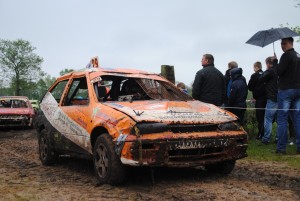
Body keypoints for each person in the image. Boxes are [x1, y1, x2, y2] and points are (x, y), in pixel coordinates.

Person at [273, 37, 300, 154]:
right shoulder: (298, 55)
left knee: (282, 119)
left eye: (284, 44)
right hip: (298, 90)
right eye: (281, 44)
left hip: (286, 90)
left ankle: (281, 148)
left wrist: (275, 62)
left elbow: (278, 71)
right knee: (298, 119)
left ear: (290, 43)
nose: (282, 46)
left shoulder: (286, 56)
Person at [259, 57, 278, 144]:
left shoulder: (270, 71)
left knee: (268, 119)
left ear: (267, 63)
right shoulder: (279, 69)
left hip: (272, 97)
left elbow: (261, 78)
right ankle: (279, 138)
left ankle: (266, 138)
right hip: (281, 97)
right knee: (280, 120)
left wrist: (267, 70)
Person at [248, 61, 267, 140]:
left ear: (256, 67)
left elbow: (250, 87)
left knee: (260, 117)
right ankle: (266, 133)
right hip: (267, 98)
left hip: (259, 99)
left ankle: (261, 134)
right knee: (267, 118)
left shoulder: (254, 75)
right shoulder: (266, 74)